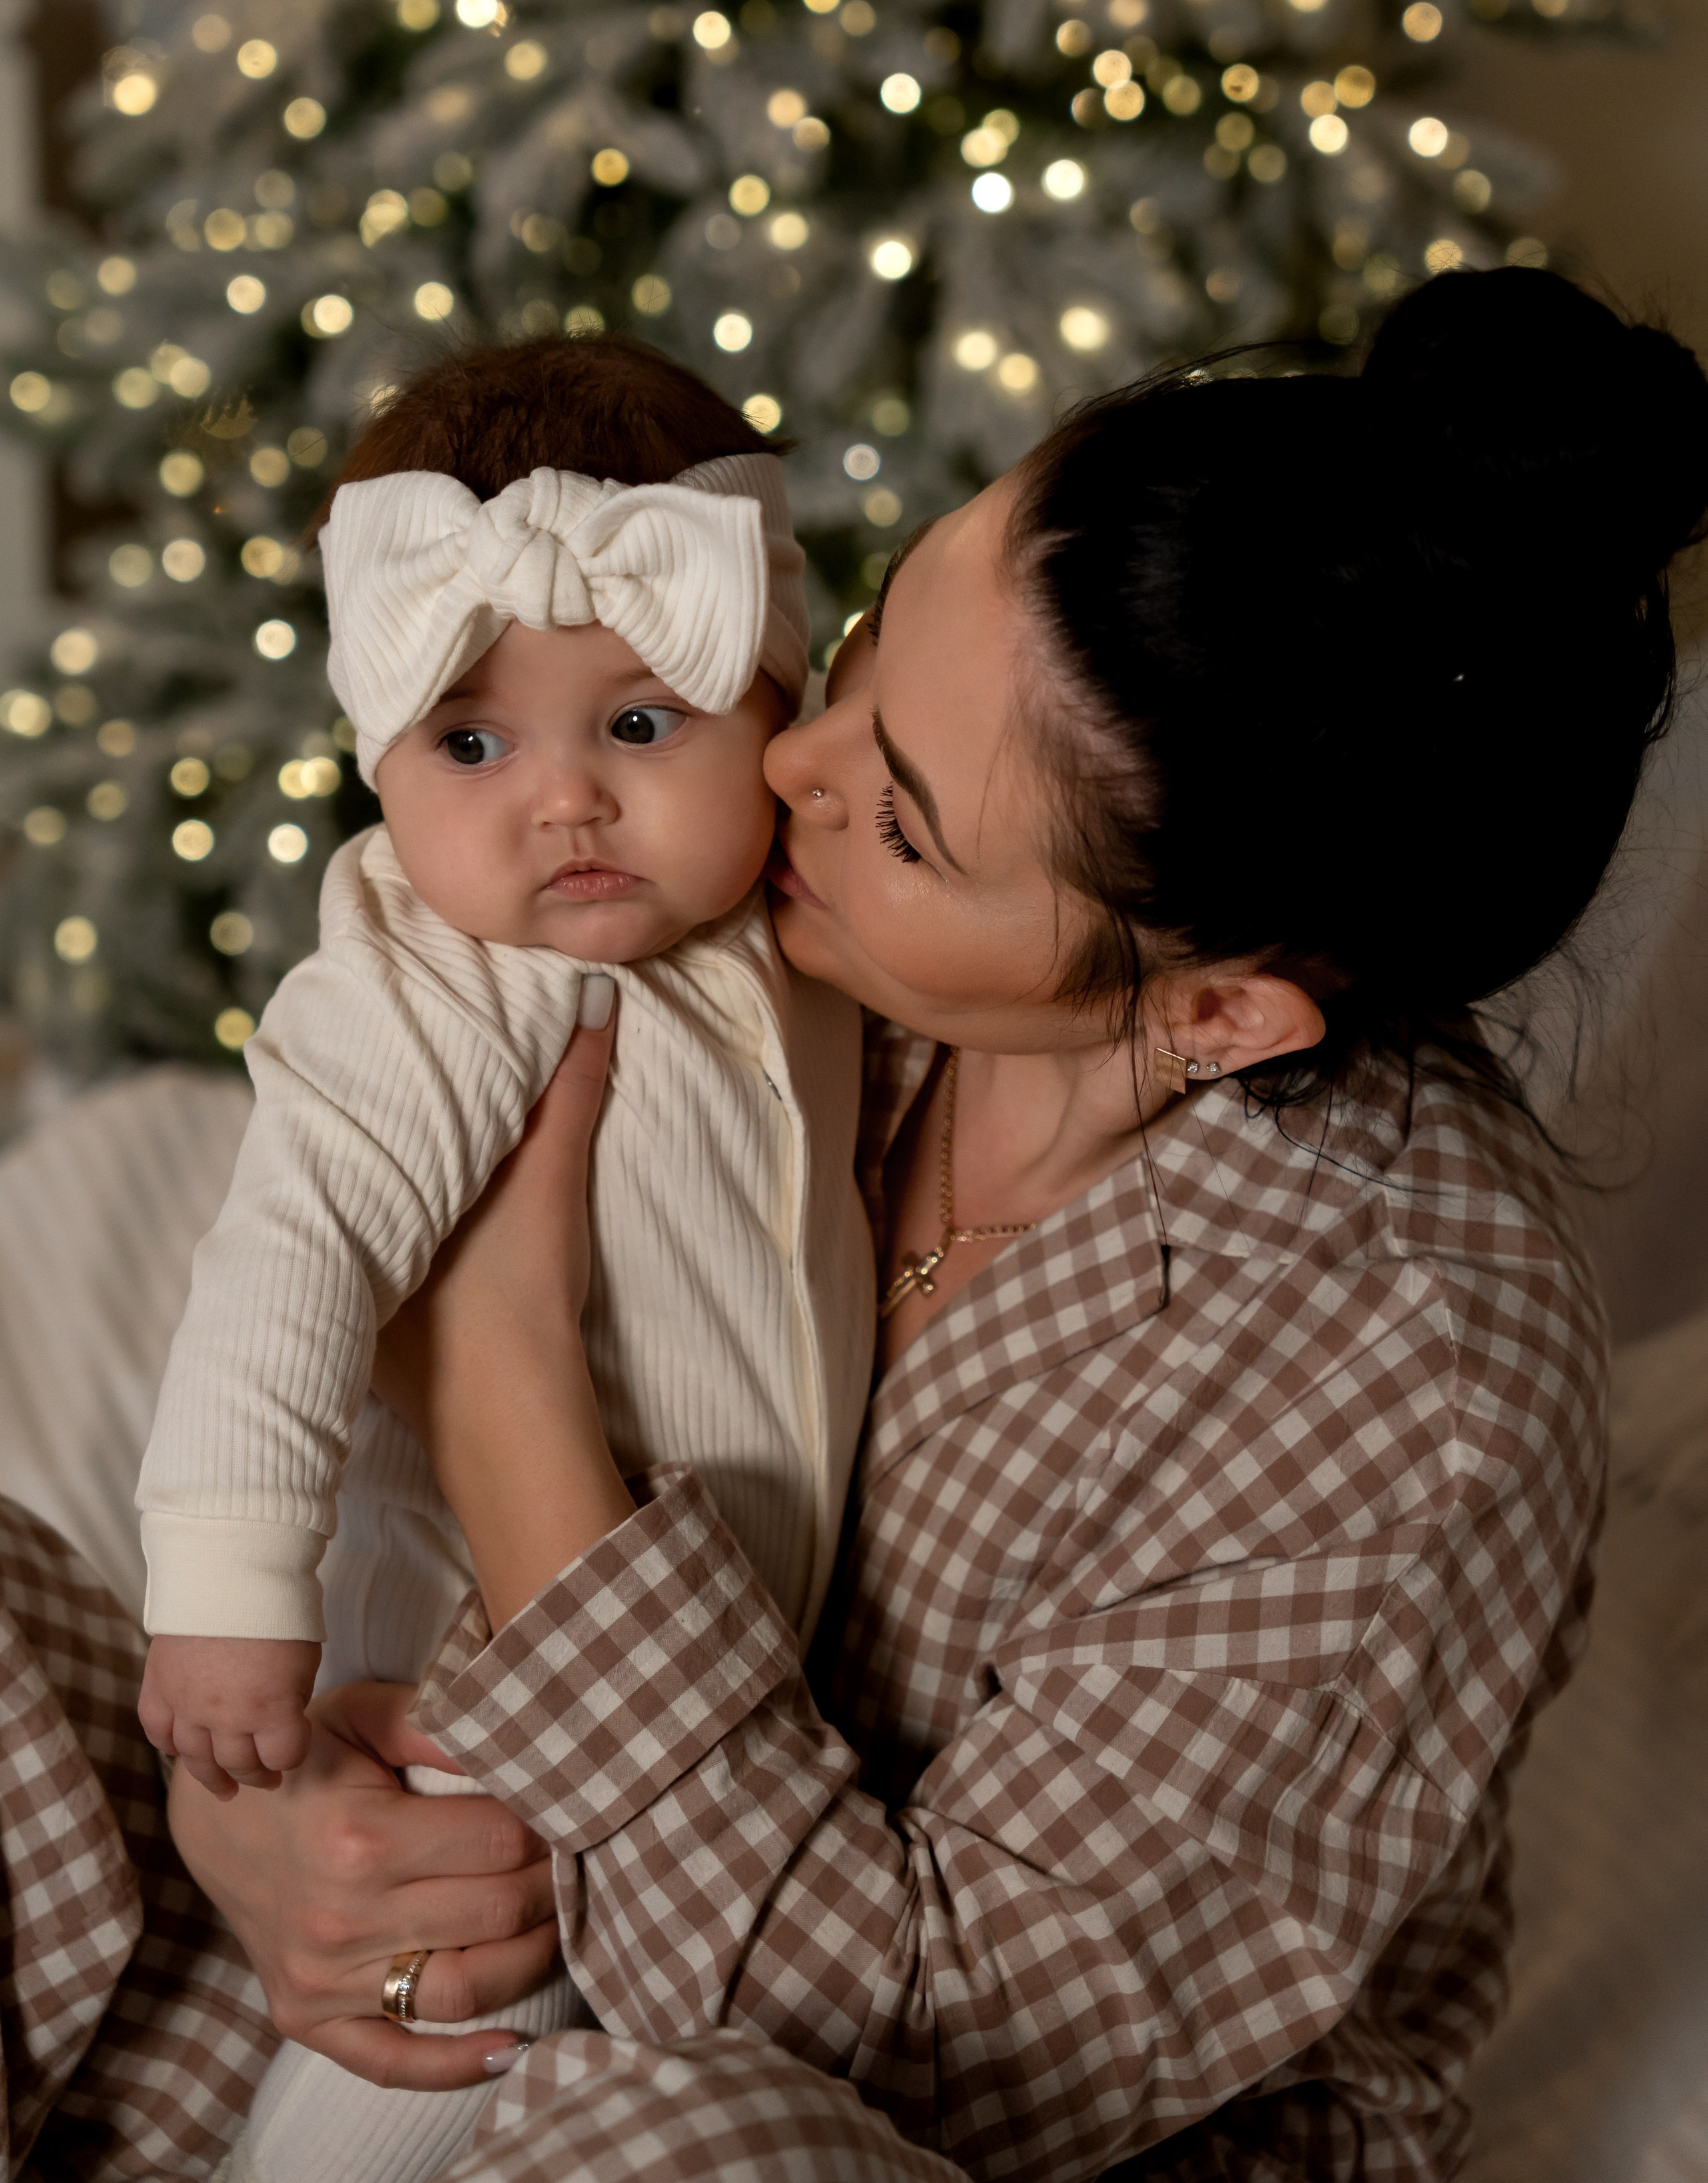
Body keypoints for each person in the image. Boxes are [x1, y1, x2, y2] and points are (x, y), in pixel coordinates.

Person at [2, 268, 1703, 2182]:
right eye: (877, 633)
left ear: (1219, 1010)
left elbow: (925, 2045)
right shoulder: (748, 909)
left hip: (873, 2115)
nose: (784, 756)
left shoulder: (1413, 1379)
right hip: (452, 1920)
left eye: (901, 820)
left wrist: (502, 1380)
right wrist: (268, 1822)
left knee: (678, 2144)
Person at [133, 336, 875, 2183]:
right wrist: (227, 1580)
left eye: (642, 725)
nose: (564, 802)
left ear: (779, 695)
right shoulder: (436, 987)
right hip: (480, 1703)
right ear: (377, 761)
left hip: (714, 1711)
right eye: (473, 743)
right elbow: (288, 1257)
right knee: (442, 2046)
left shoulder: (798, 946)